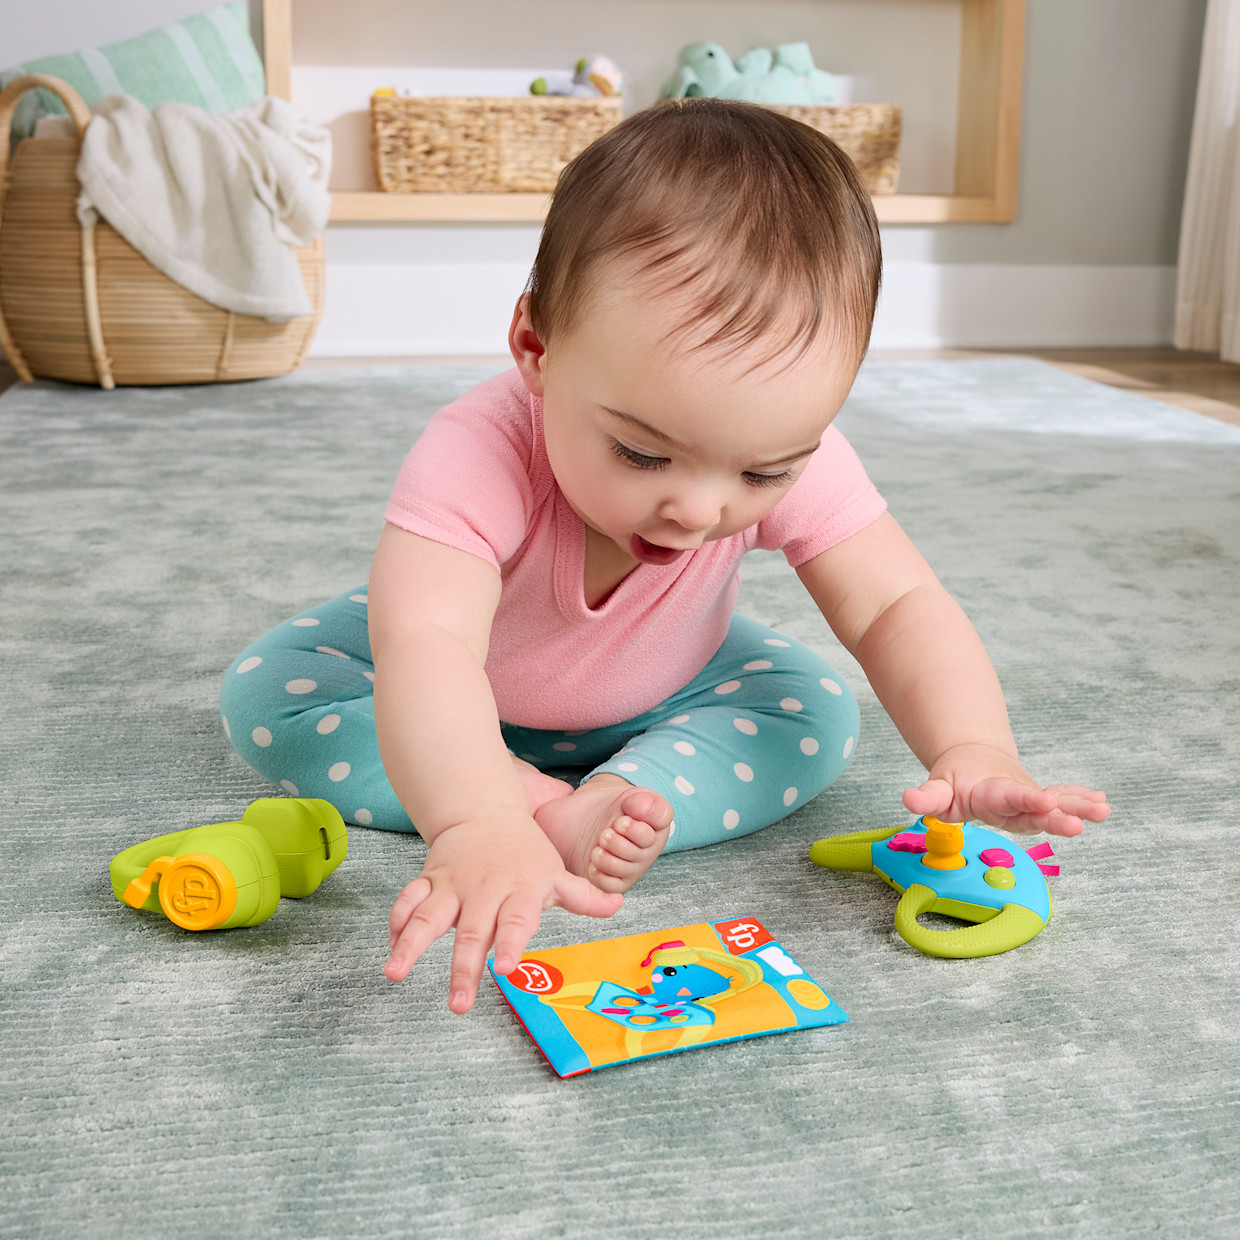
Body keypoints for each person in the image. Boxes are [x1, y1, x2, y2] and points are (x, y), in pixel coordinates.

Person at [219, 99, 1110, 1014]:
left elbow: (894, 606)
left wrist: (972, 747)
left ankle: (620, 799)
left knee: (814, 715)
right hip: (461, 679)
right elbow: (428, 644)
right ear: (537, 346)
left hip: (670, 677)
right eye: (643, 454)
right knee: (272, 692)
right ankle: (528, 804)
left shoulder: (792, 457)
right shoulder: (476, 450)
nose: (699, 508)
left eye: (765, 470)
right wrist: (475, 819)